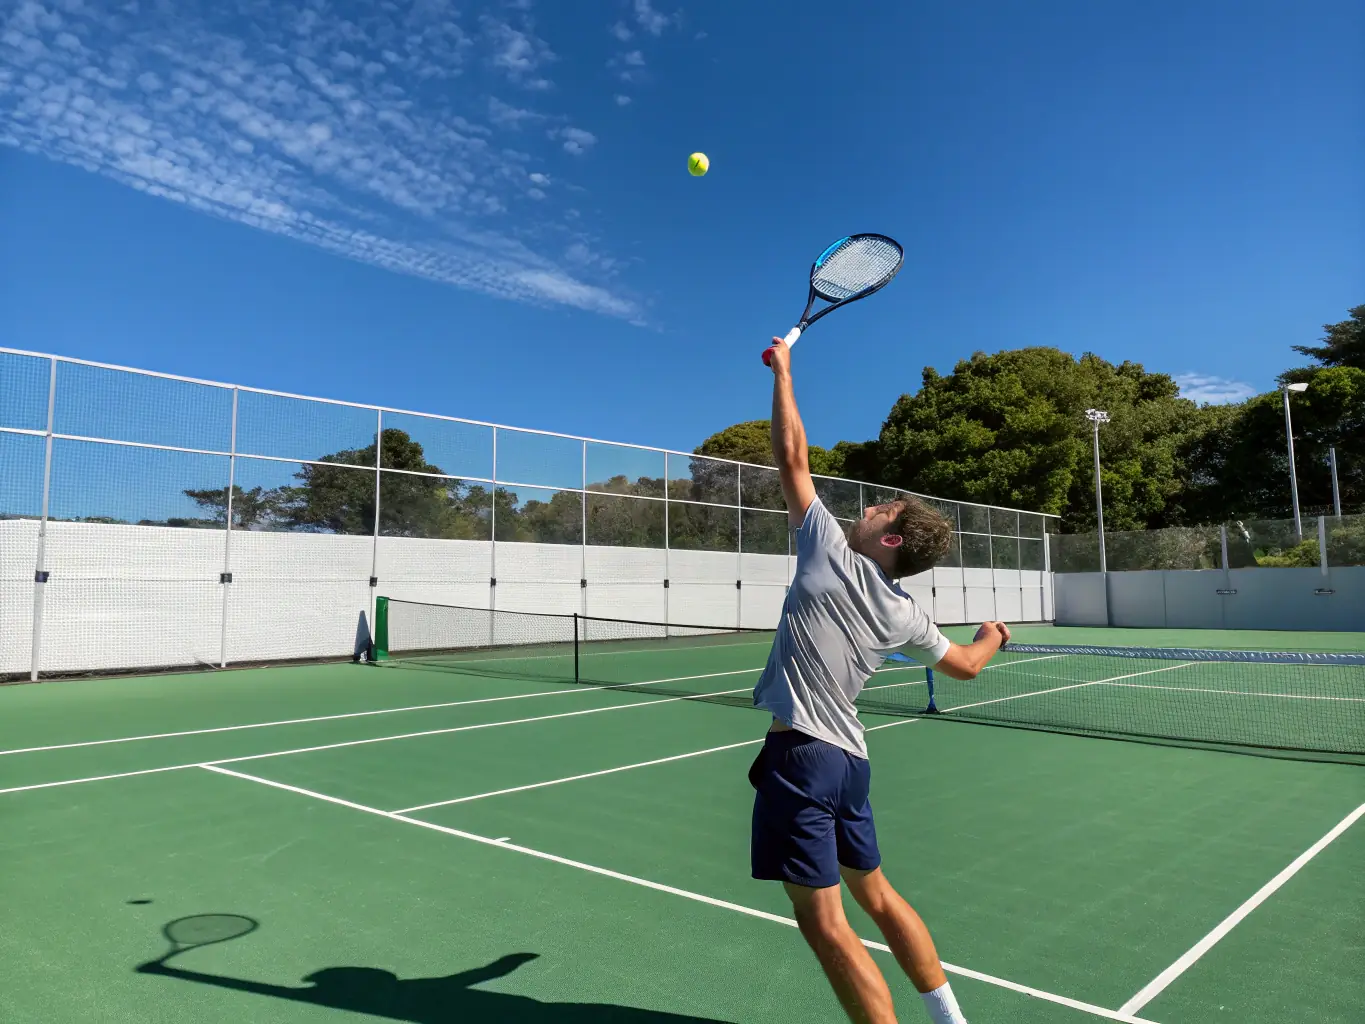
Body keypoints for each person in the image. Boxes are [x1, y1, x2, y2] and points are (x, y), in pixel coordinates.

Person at [749, 336, 1011, 1024]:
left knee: (825, 924)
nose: (862, 512)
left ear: (890, 540)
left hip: (802, 759)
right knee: (878, 898)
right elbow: (966, 667)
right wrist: (990, 637)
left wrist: (785, 373)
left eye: (878, 514)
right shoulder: (905, 612)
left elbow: (792, 457)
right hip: (849, 766)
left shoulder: (828, 552)